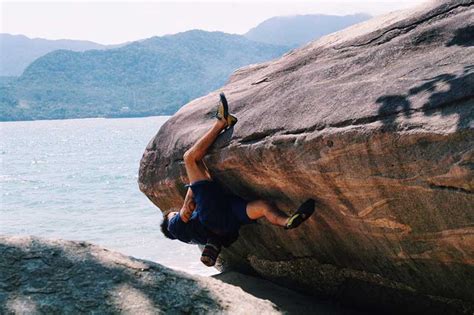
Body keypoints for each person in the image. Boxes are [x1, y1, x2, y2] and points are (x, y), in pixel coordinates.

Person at [160, 92, 315, 267]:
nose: (173, 213)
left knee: (262, 207)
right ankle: (222, 122)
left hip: (228, 222)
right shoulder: (174, 227)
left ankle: (286, 221)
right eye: (170, 214)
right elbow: (187, 209)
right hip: (212, 216)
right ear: (168, 223)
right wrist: (192, 187)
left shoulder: (194, 236)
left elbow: (204, 189)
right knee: (189, 158)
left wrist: (197, 183)